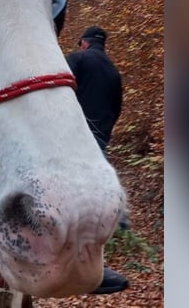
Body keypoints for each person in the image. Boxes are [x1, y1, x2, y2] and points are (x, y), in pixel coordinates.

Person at [65, 26, 129, 294]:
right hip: (99, 135)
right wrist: (104, 133)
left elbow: (56, 89)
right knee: (92, 186)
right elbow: (117, 108)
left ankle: (81, 263)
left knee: (73, 192)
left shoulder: (77, 60)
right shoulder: (113, 72)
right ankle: (119, 217)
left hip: (73, 133)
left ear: (83, 43)